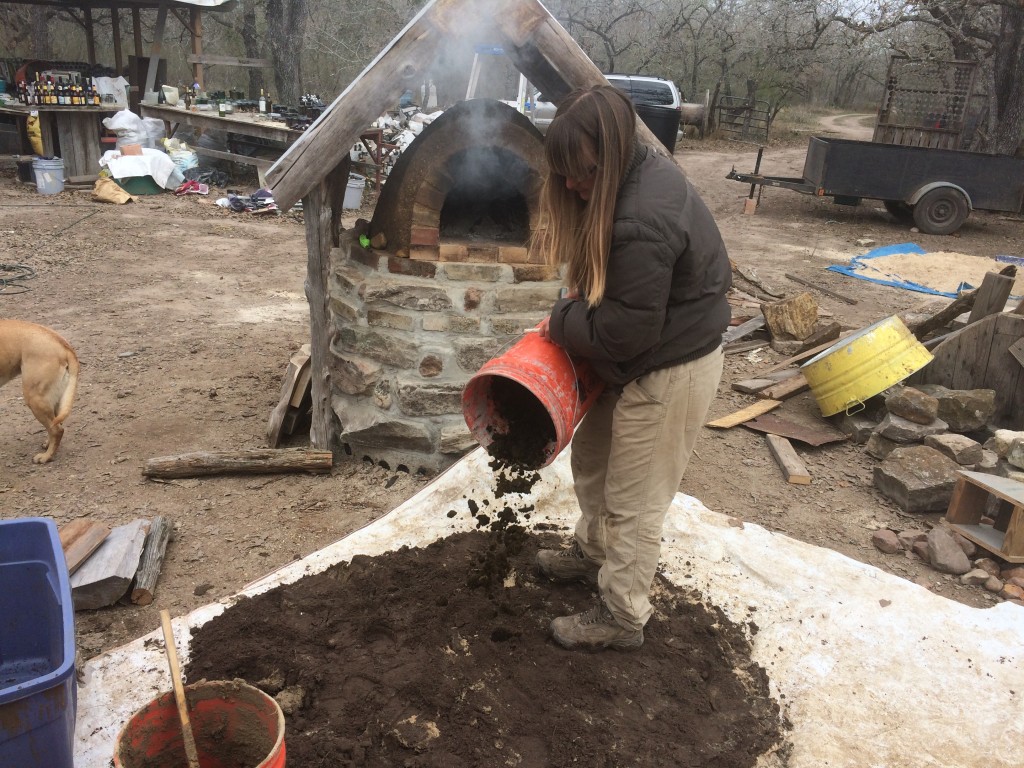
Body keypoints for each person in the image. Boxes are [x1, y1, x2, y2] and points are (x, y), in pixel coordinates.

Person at [534, 85, 731, 651]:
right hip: (637, 352)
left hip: (669, 363)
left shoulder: (640, 219)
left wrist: (560, 319)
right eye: (564, 172)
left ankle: (622, 615)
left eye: (583, 173)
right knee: (593, 458)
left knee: (635, 497)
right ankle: (592, 552)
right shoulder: (630, 175)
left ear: (614, 152)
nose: (572, 185)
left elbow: (623, 332)